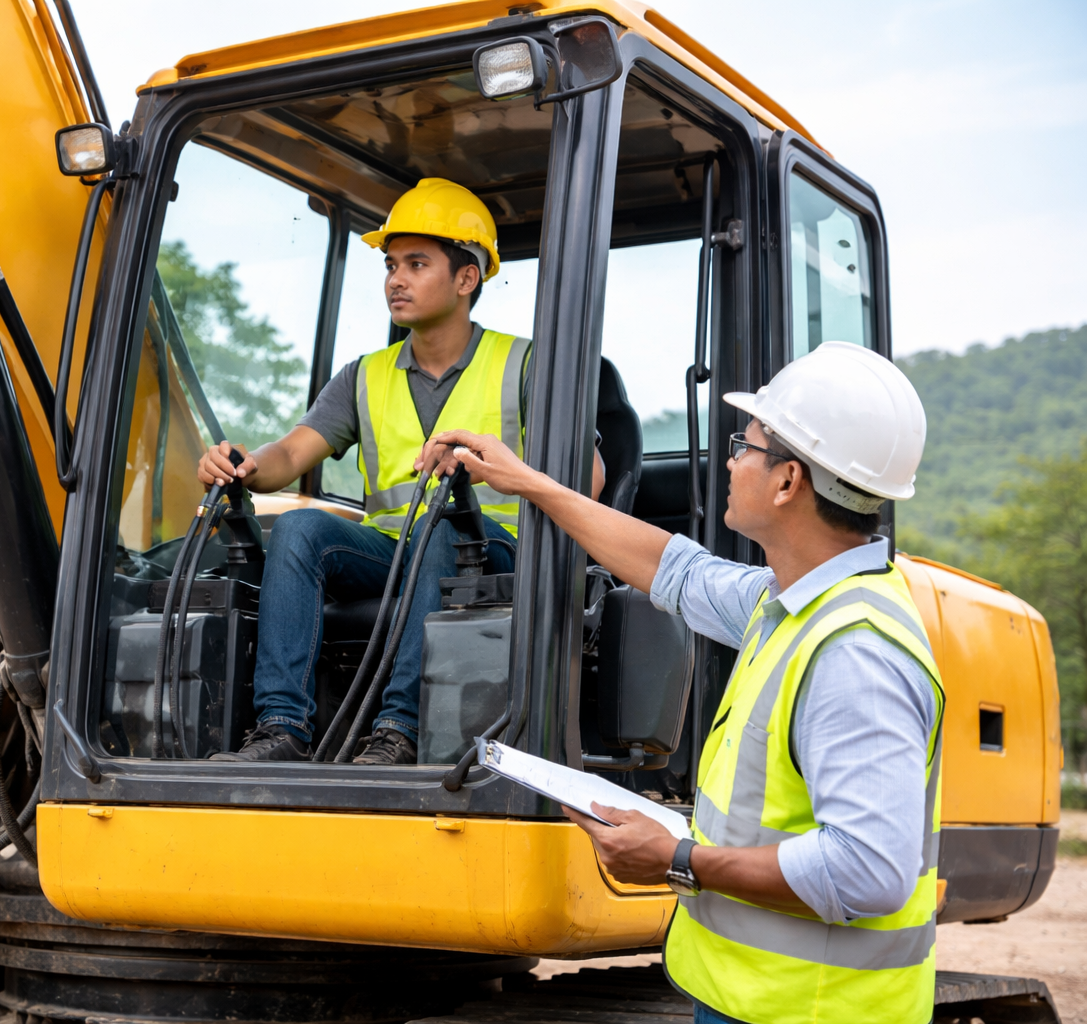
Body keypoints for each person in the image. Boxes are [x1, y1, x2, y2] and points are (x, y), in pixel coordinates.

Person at [424, 341, 942, 1024]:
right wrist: (530, 484)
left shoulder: (855, 652)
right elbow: (679, 570)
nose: (729, 460)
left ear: (788, 481)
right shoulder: (787, 603)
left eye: (744, 445)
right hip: (750, 998)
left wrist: (678, 858)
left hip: (811, 1011)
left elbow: (865, 872)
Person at [200, 178, 603, 765]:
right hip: (395, 554)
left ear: (467, 279)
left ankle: (399, 729)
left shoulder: (527, 363)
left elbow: (586, 477)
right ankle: (281, 728)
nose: (396, 278)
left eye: (417, 263)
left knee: (442, 527)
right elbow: (290, 455)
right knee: (297, 530)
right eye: (391, 264)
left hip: (498, 551)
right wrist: (245, 464)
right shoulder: (364, 374)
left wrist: (485, 469)